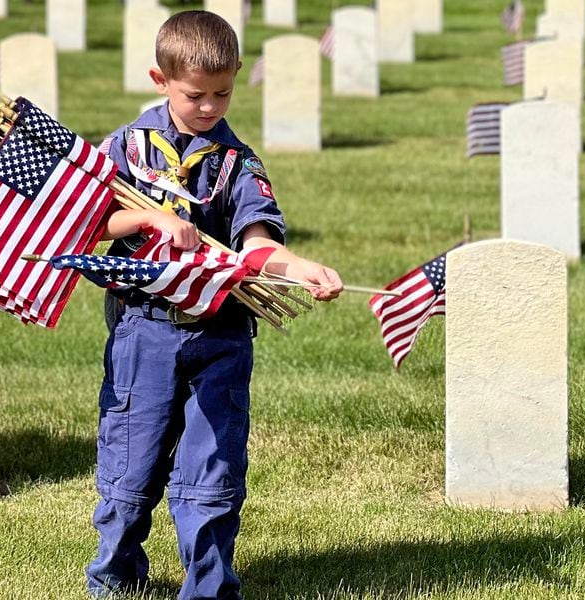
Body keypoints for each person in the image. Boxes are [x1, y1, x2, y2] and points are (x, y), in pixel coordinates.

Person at [87, 10, 343, 599]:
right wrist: (151, 217)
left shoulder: (239, 162)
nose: (209, 107)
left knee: (212, 472)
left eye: (222, 93)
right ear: (160, 78)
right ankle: (115, 579)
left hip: (219, 333)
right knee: (132, 465)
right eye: (195, 94)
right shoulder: (125, 148)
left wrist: (298, 268)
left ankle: (207, 588)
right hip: (143, 332)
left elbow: (258, 240)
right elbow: (91, 222)